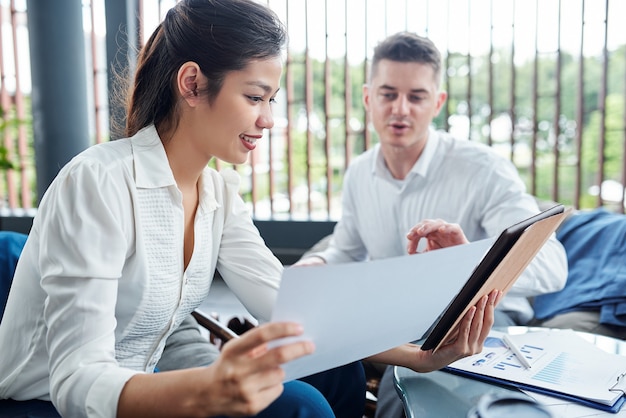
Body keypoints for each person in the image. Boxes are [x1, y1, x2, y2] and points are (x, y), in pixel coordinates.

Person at [0, 3, 498, 417]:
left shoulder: (217, 195)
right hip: (47, 403)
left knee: (335, 373)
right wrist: (208, 388)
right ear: (192, 84)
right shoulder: (98, 183)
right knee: (301, 407)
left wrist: (421, 357)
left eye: (272, 100)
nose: (269, 120)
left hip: (143, 381)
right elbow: (76, 381)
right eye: (255, 97)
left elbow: (296, 310)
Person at [294, 32, 568, 417]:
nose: (400, 109)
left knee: (407, 377)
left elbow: (553, 267)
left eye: (416, 96)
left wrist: (469, 264)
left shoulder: (484, 170)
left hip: (476, 319)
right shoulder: (359, 173)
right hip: (393, 314)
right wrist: (319, 264)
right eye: (388, 94)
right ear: (368, 98)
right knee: (311, 354)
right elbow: (348, 247)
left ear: (437, 103)